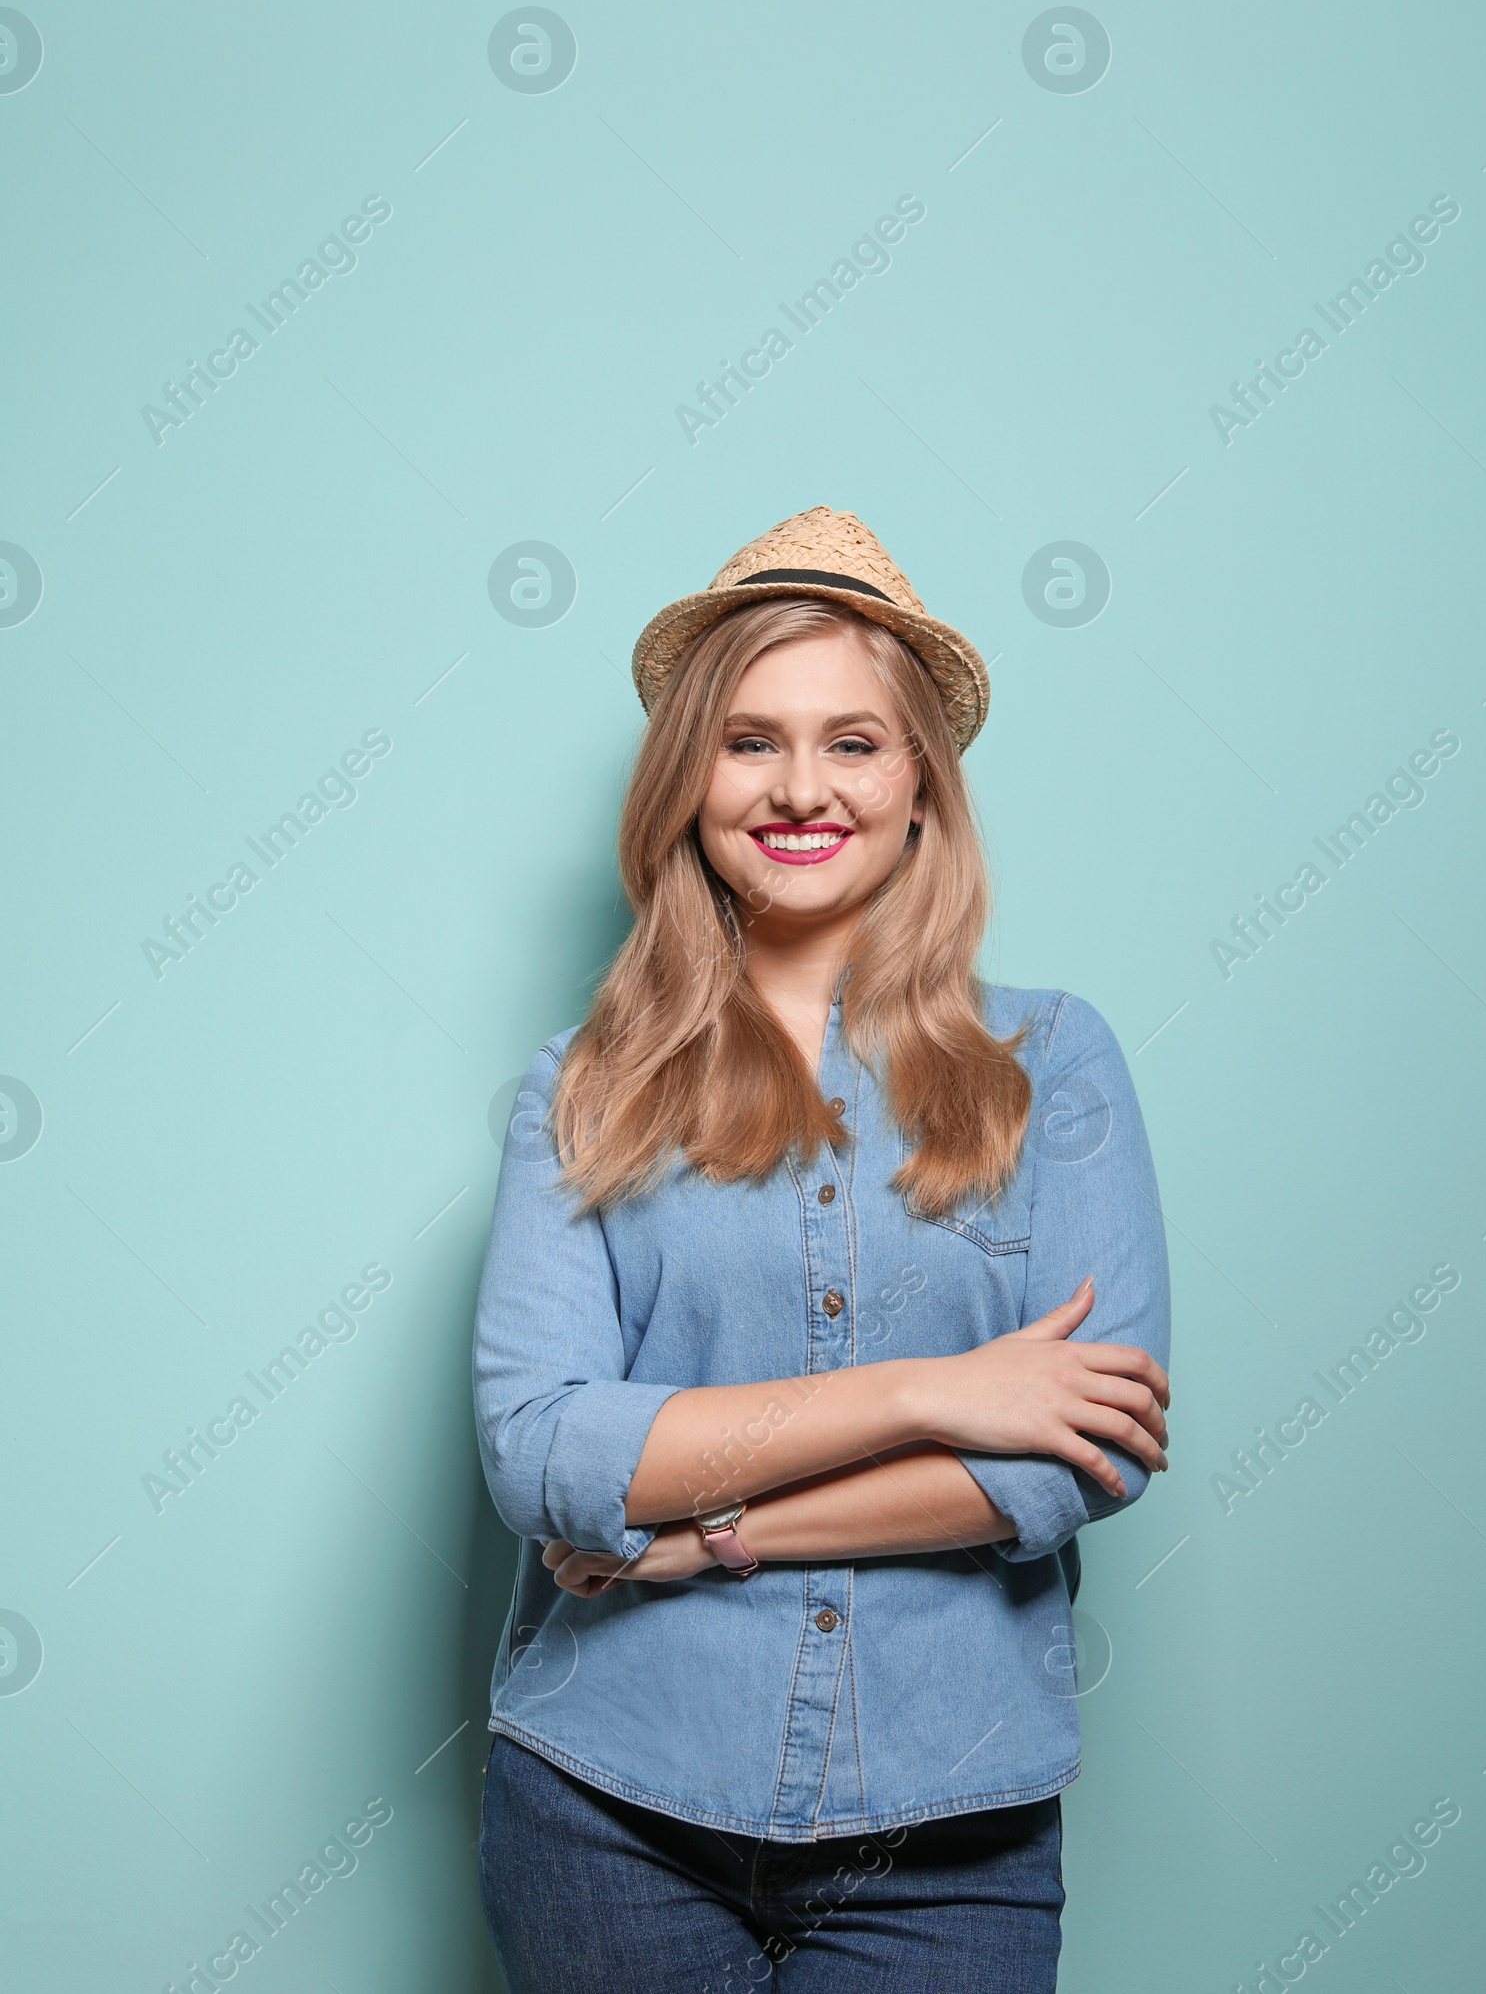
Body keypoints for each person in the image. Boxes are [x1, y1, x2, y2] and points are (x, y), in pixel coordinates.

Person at [473, 506, 1171, 1991]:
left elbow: (1070, 1457)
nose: (801, 789)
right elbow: (542, 1452)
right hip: (608, 1804)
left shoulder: (1057, 1064)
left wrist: (707, 1532)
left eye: (854, 743)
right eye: (751, 742)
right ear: (689, 784)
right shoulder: (583, 1086)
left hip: (954, 1829)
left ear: (922, 782)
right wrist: (938, 1394)